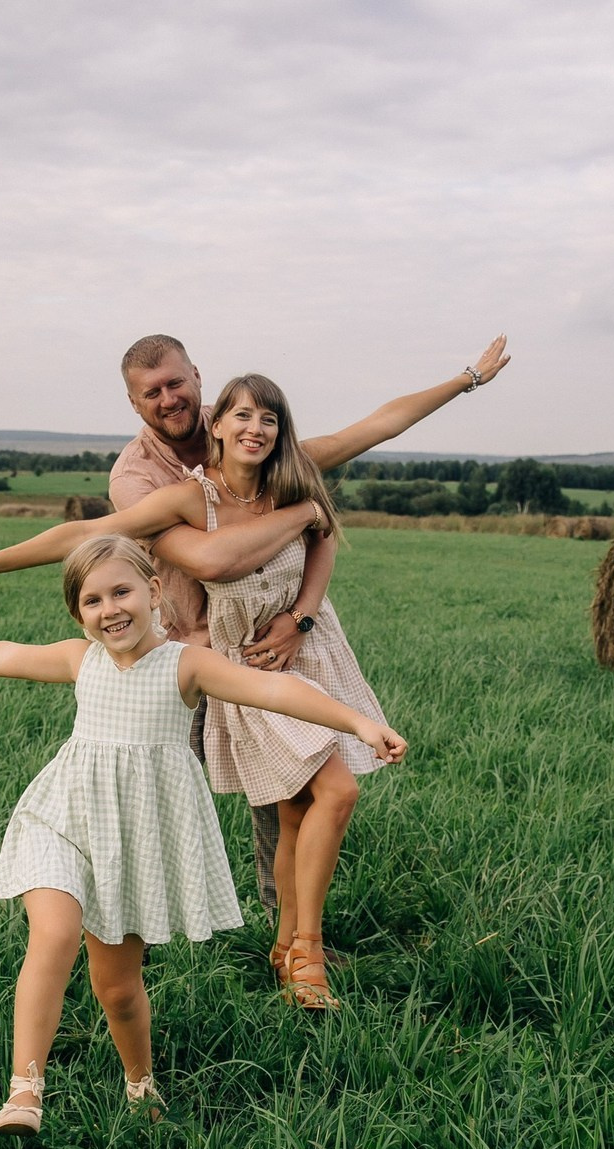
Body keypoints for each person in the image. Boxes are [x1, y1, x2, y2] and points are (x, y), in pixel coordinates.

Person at [0, 535, 405, 1135]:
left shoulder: (185, 665)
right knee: (53, 936)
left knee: (119, 990)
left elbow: (275, 690)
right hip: (63, 820)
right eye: (91, 600)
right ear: (78, 614)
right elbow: (6, 655)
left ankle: (140, 1081)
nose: (110, 609)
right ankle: (25, 1091)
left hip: (131, 842)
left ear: (154, 591)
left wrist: (360, 722)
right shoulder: (80, 660)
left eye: (121, 591)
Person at [0, 373, 407, 1010]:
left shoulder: (294, 476)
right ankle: (292, 951)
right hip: (223, 660)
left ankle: (291, 948)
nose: (254, 428)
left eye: (268, 418)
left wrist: (466, 379)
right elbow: (93, 538)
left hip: (301, 652)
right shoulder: (173, 490)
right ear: (214, 423)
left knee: (297, 809)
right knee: (307, 793)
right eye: (242, 417)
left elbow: (375, 429)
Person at [107, 334, 510, 919]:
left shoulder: (251, 431)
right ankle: (139, 918)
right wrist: (304, 509)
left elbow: (371, 430)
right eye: (152, 392)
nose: (168, 398)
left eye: (176, 383)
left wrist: (466, 378)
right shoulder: (136, 479)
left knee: (286, 794)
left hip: (267, 651)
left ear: (197, 376)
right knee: (154, 794)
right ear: (133, 402)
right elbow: (214, 561)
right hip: (180, 656)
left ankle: (285, 933)